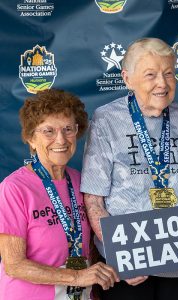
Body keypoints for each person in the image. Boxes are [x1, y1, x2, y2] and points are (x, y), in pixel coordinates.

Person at [80, 37, 178, 300]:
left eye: (168, 73)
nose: (162, 83)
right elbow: (94, 201)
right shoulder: (106, 119)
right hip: (128, 266)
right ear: (128, 79)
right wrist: (122, 256)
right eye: (151, 75)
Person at [0, 89, 119, 300]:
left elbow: (89, 245)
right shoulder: (14, 188)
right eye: (48, 131)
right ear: (30, 138)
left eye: (68, 129)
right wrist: (76, 277)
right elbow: (14, 265)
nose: (61, 140)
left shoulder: (81, 180)